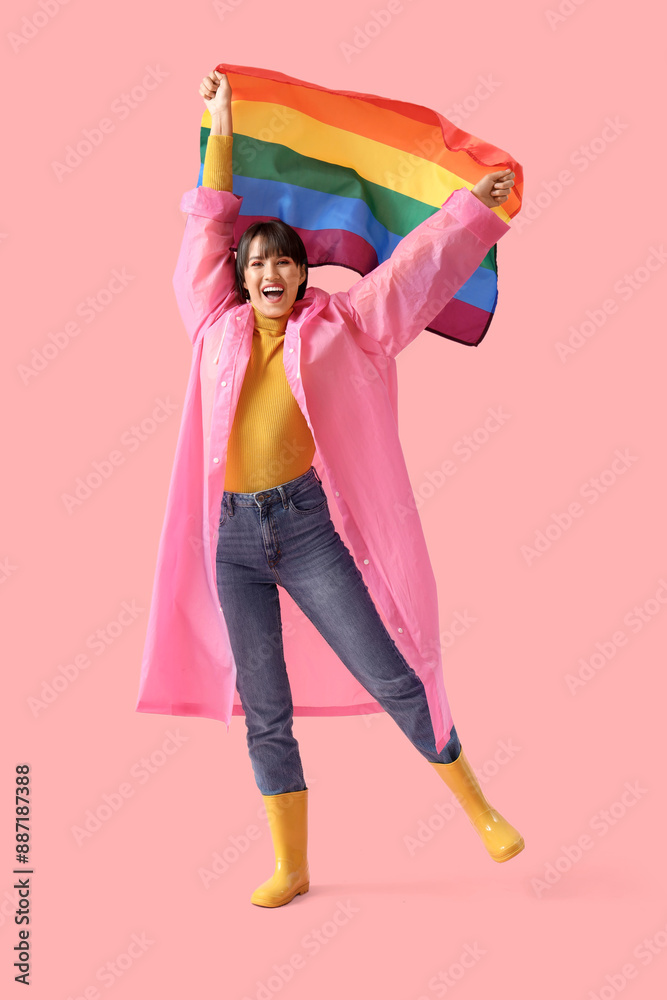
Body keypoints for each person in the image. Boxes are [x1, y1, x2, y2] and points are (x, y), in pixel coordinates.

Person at [140, 66, 524, 909]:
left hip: (307, 527)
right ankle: (292, 864)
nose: (272, 273)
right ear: (239, 276)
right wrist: (222, 121)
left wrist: (475, 211)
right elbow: (207, 225)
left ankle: (480, 808)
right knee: (263, 707)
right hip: (229, 539)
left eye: (285, 263)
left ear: (302, 274)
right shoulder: (211, 322)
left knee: (391, 671)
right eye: (258, 263)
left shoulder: (345, 326)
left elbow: (418, 273)